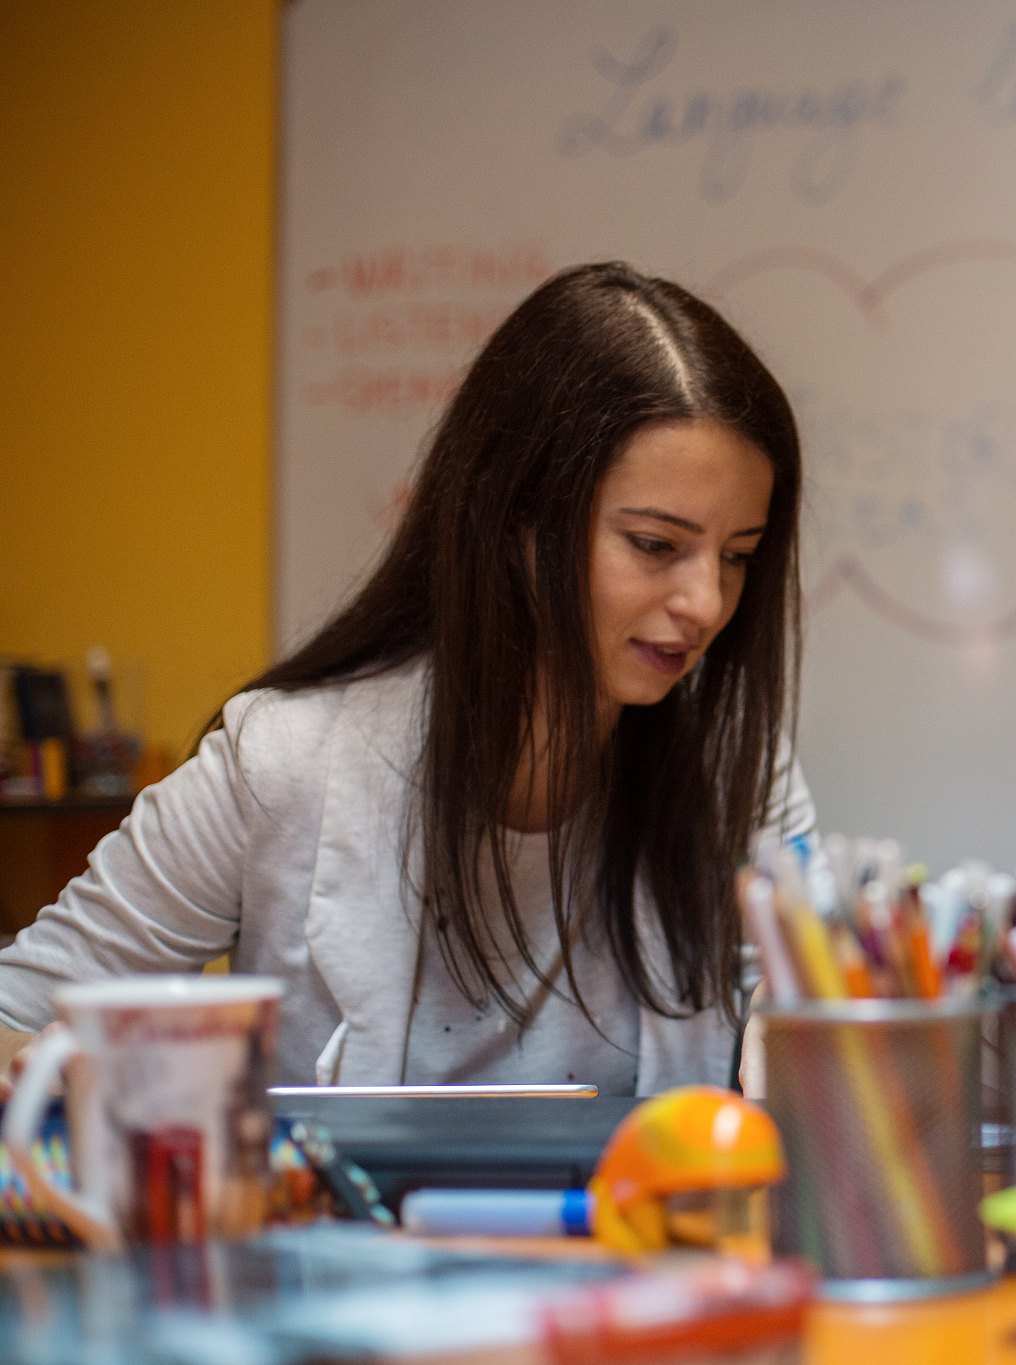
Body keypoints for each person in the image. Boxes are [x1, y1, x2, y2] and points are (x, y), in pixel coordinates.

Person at [0, 262, 814, 1096]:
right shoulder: (282, 762)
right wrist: (66, 1079)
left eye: (739, 556)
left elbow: (837, 1034)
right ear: (517, 524)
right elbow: (16, 1009)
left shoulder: (737, 770)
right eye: (654, 544)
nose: (706, 601)